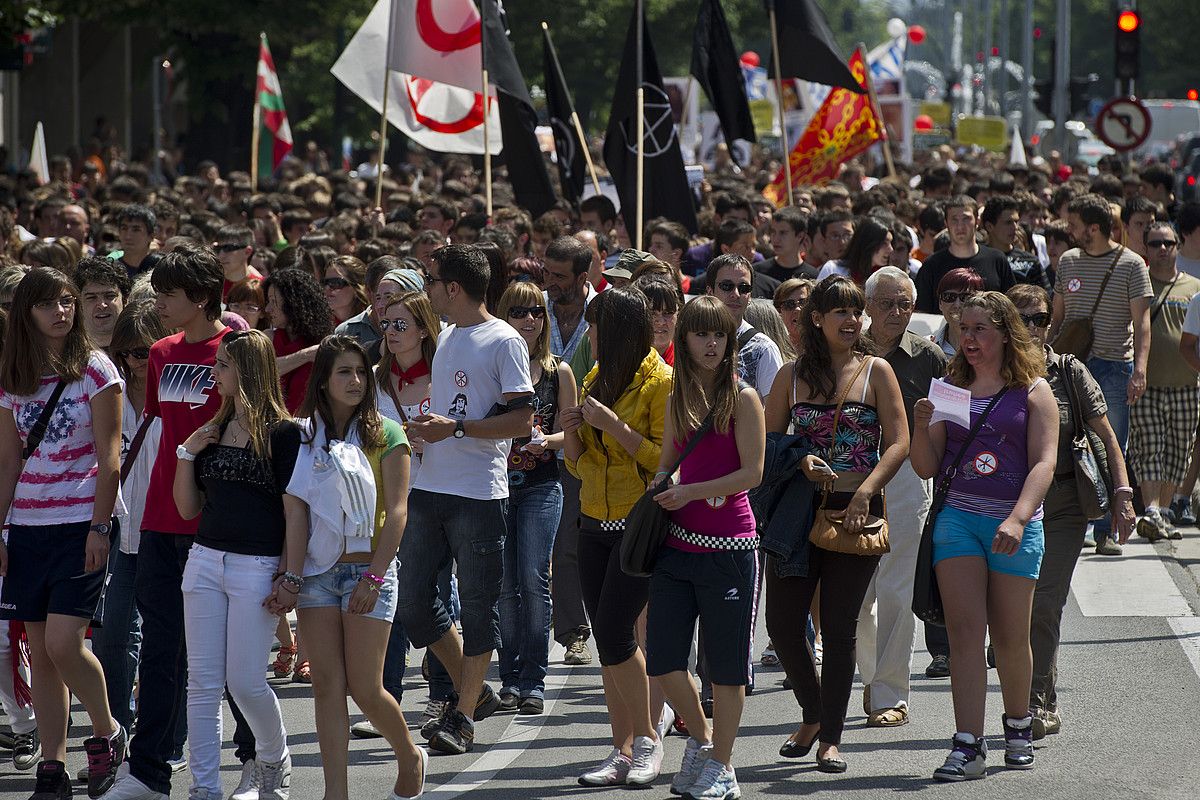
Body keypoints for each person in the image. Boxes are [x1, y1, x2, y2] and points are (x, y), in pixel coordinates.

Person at [909, 291, 1059, 781]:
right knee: (964, 635)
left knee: (1012, 637)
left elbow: (1044, 463)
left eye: (980, 330)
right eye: (963, 329)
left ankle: (1017, 725)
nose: (969, 339)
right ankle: (967, 744)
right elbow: (927, 465)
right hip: (958, 521)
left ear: (1004, 332)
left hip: (1014, 525)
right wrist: (921, 425)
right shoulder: (949, 388)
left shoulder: (1034, 391)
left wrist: (1017, 518)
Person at [100, 245, 231, 800]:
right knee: (158, 648)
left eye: (169, 294)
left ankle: (254, 762)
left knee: (226, 660)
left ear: (200, 298)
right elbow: (161, 428)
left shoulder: (240, 351)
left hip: (221, 524)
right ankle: (148, 771)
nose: (156, 302)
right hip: (157, 519)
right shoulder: (158, 352)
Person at [763, 275, 909, 773]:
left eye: (856, 311)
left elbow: (899, 442)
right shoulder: (790, 375)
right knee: (782, 625)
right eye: (839, 312)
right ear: (816, 320)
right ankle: (812, 711)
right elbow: (767, 443)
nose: (851, 320)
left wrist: (867, 490)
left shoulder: (878, 371)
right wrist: (800, 461)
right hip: (797, 508)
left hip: (857, 508)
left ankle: (830, 736)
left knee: (842, 627)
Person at [394, 245, 534, 756]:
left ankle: (464, 714)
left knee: (477, 609)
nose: (427, 291)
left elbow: (523, 421)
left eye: (432, 282)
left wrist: (454, 427)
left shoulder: (504, 340)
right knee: (412, 601)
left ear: (452, 288)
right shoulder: (449, 334)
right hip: (431, 487)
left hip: (478, 493)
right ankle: (475, 694)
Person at [0, 267, 127, 799]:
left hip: (81, 523)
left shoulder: (96, 368)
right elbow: (7, 463)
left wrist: (101, 525)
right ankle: (52, 766)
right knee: (40, 649)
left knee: (62, 643)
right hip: (27, 524)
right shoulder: (13, 377)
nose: (62, 312)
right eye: (49, 304)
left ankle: (107, 731)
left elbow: (110, 456)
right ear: (26, 313)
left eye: (68, 302)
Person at [287, 336, 427, 800]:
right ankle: (336, 793)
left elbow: (399, 512)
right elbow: (295, 511)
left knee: (366, 689)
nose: (355, 380)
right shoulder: (303, 435)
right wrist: (289, 575)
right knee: (326, 687)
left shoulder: (388, 433)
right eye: (343, 371)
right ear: (323, 381)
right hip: (316, 575)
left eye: (361, 371)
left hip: (370, 571)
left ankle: (408, 755)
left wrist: (374, 575)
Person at [171, 329, 302, 800]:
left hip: (258, 565)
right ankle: (204, 788)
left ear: (247, 371)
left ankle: (274, 758)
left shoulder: (286, 434)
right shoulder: (213, 427)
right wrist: (187, 453)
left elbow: (294, 512)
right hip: (204, 560)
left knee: (245, 682)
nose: (214, 372)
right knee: (202, 685)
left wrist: (290, 574)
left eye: (223, 364)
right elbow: (187, 509)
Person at [647, 296, 765, 799]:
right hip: (677, 545)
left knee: (727, 666)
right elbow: (668, 459)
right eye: (701, 334)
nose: (712, 343)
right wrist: (658, 487)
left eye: (720, 334)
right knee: (663, 660)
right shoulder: (677, 394)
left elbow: (752, 473)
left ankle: (722, 765)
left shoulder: (743, 397)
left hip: (730, 548)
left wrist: (690, 491)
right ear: (685, 339)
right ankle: (704, 741)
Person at [1006, 284, 1134, 739]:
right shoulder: (987, 372)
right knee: (1008, 612)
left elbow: (1106, 434)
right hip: (999, 507)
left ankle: (1037, 703)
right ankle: (1030, 695)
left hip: (1060, 506)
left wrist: (1121, 491)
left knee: (1043, 604)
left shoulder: (1068, 371)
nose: (1034, 328)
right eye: (1022, 318)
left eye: (1041, 318)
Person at [562, 286, 672, 787]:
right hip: (592, 521)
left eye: (595, 327)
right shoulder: (592, 377)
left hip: (638, 524)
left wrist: (612, 425)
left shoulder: (661, 383)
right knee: (609, 643)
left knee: (613, 634)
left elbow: (662, 460)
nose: (589, 336)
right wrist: (571, 430)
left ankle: (649, 739)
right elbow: (577, 463)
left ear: (621, 330)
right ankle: (620, 749)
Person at [856, 266, 948, 727]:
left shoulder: (929, 356)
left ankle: (890, 693)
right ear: (867, 305)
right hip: (851, 475)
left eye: (905, 304)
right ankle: (870, 680)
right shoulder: (846, 347)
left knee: (895, 586)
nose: (896, 312)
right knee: (855, 591)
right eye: (887, 303)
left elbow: (953, 420)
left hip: (909, 476)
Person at [372, 289, 458, 739]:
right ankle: (384, 698)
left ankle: (447, 697)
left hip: (436, 497)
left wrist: (439, 439)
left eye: (400, 324)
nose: (390, 332)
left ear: (425, 328)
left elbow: (470, 433)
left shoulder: (447, 377)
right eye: (385, 323)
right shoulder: (373, 378)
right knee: (390, 598)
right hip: (386, 502)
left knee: (430, 600)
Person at [1049, 193, 1151, 557]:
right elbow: (1057, 319)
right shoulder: (1068, 262)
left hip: (1113, 368)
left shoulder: (1132, 264)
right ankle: (1082, 519)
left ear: (1093, 227)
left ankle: (1107, 529)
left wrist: (1139, 369)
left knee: (1112, 446)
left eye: (1074, 225)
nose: (1069, 230)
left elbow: (1141, 322)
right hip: (1069, 368)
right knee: (1069, 445)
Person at [495, 282, 578, 714]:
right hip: (495, 486)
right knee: (505, 586)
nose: (530, 319)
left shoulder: (558, 370)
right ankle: (508, 677)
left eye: (537, 312)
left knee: (533, 578)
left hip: (543, 485)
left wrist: (548, 442)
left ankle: (534, 679)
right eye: (519, 312)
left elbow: (574, 434)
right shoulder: (492, 365)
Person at [92, 302, 166, 741]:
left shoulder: (177, 394)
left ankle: (162, 735)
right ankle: (117, 726)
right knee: (111, 635)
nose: (138, 361)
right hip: (119, 529)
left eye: (146, 350)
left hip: (166, 530)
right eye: (129, 352)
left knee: (164, 638)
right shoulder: (109, 392)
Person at [1128, 222, 1200, 541]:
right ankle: (1153, 509)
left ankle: (1165, 513)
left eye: (1168, 243)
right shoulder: (1137, 284)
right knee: (1150, 448)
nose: (1162, 249)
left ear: (1177, 246)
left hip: (1187, 384)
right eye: (1155, 243)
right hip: (1147, 383)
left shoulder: (1194, 288)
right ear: (1145, 248)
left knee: (1179, 452)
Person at [915, 196, 1015, 313]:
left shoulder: (997, 260)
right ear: (946, 223)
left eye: (966, 219)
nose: (960, 226)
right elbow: (921, 311)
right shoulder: (931, 265)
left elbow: (1010, 309)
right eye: (954, 219)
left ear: (977, 221)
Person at [705, 254, 784, 399]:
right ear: (710, 291)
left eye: (744, 288)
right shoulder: (691, 339)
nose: (735, 294)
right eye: (726, 286)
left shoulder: (763, 349)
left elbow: (774, 414)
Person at [263, 268, 334, 416]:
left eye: (274, 302)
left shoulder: (325, 343)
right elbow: (260, 372)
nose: (267, 309)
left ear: (294, 304)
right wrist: (305, 355)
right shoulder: (268, 338)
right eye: (268, 301)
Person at [75, 256, 132, 352]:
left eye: (109, 296)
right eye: (91, 298)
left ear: (125, 300)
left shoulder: (143, 348)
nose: (102, 305)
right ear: (78, 304)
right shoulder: (66, 353)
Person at [816, 217, 894, 285]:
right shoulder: (832, 269)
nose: (891, 249)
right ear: (869, 244)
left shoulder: (884, 277)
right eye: (884, 243)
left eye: (891, 243)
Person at [931, 269, 985, 358]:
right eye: (949, 297)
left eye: (966, 297)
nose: (957, 305)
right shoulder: (925, 348)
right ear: (940, 303)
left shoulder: (992, 346)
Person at [636, 277, 682, 366]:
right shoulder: (624, 362)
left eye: (668, 313)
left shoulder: (690, 360)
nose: (661, 322)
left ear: (678, 314)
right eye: (652, 313)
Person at [323, 255, 369, 325]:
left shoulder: (373, 321)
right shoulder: (319, 325)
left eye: (335, 283)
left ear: (356, 287)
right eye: (325, 282)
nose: (327, 288)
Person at [773, 278, 814, 353]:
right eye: (789, 304)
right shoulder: (773, 348)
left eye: (803, 302)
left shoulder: (827, 344)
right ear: (779, 312)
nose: (797, 309)